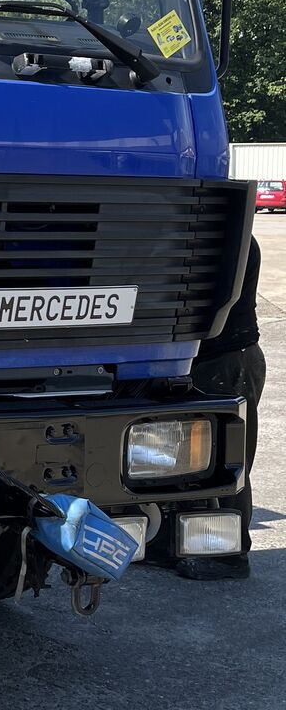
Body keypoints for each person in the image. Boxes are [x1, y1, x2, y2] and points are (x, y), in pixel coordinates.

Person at [175, 236, 266, 580]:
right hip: (221, 359)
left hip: (227, 361)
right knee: (191, 461)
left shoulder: (228, 237)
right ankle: (183, 543)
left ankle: (230, 554)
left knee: (229, 463)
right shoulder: (228, 234)